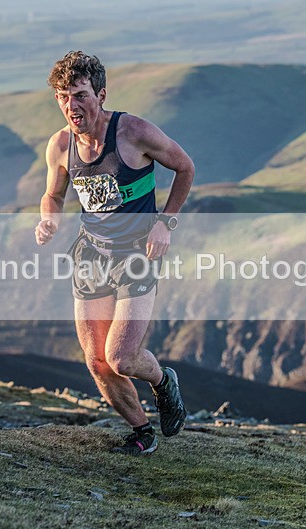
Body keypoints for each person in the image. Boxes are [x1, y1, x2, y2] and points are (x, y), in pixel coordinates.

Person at [35, 51, 194, 455]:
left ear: (100, 94)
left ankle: (162, 381)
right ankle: (143, 432)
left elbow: (185, 167)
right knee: (97, 361)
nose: (72, 105)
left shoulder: (133, 132)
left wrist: (165, 222)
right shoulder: (60, 146)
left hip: (136, 255)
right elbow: (52, 195)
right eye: (62, 96)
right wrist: (49, 220)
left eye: (79, 94)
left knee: (122, 357)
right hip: (91, 256)